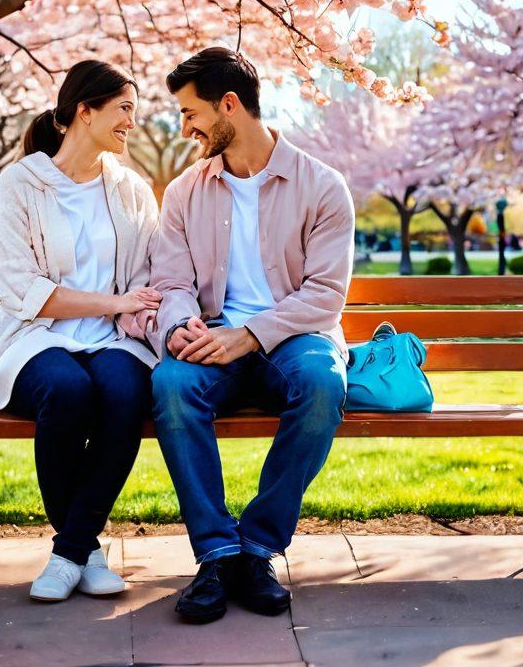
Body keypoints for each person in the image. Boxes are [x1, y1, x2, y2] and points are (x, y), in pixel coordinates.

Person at [147, 47, 355, 623]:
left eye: (191, 113)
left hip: (296, 336)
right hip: (213, 337)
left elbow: (325, 295)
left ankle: (257, 550)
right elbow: (170, 279)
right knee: (169, 383)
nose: (184, 127)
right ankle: (216, 554)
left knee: (321, 382)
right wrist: (182, 326)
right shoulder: (185, 191)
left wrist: (251, 335)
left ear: (229, 106)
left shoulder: (322, 185)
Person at [0, 60, 162, 603]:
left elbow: (145, 278)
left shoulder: (132, 189)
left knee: (125, 391)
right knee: (67, 389)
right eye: (124, 108)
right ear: (85, 111)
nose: (133, 120)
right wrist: (114, 301)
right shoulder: (22, 183)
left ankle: (68, 553)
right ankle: (86, 551)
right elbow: (20, 286)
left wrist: (135, 311)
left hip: (113, 337)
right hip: (37, 333)